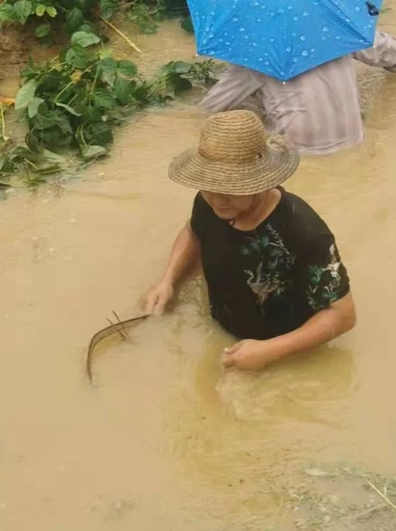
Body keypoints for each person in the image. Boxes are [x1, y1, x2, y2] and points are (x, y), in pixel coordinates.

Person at [144, 110, 355, 372]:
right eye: (209, 186)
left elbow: (343, 315)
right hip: (222, 328)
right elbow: (193, 231)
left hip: (282, 351)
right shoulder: (209, 202)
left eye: (231, 189)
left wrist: (270, 351)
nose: (217, 200)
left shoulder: (302, 230)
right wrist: (168, 281)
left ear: (260, 182)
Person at [198, 28, 396, 157]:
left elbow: (213, 108)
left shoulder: (256, 52)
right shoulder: (341, 26)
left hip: (296, 156)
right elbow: (391, 52)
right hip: (356, 141)